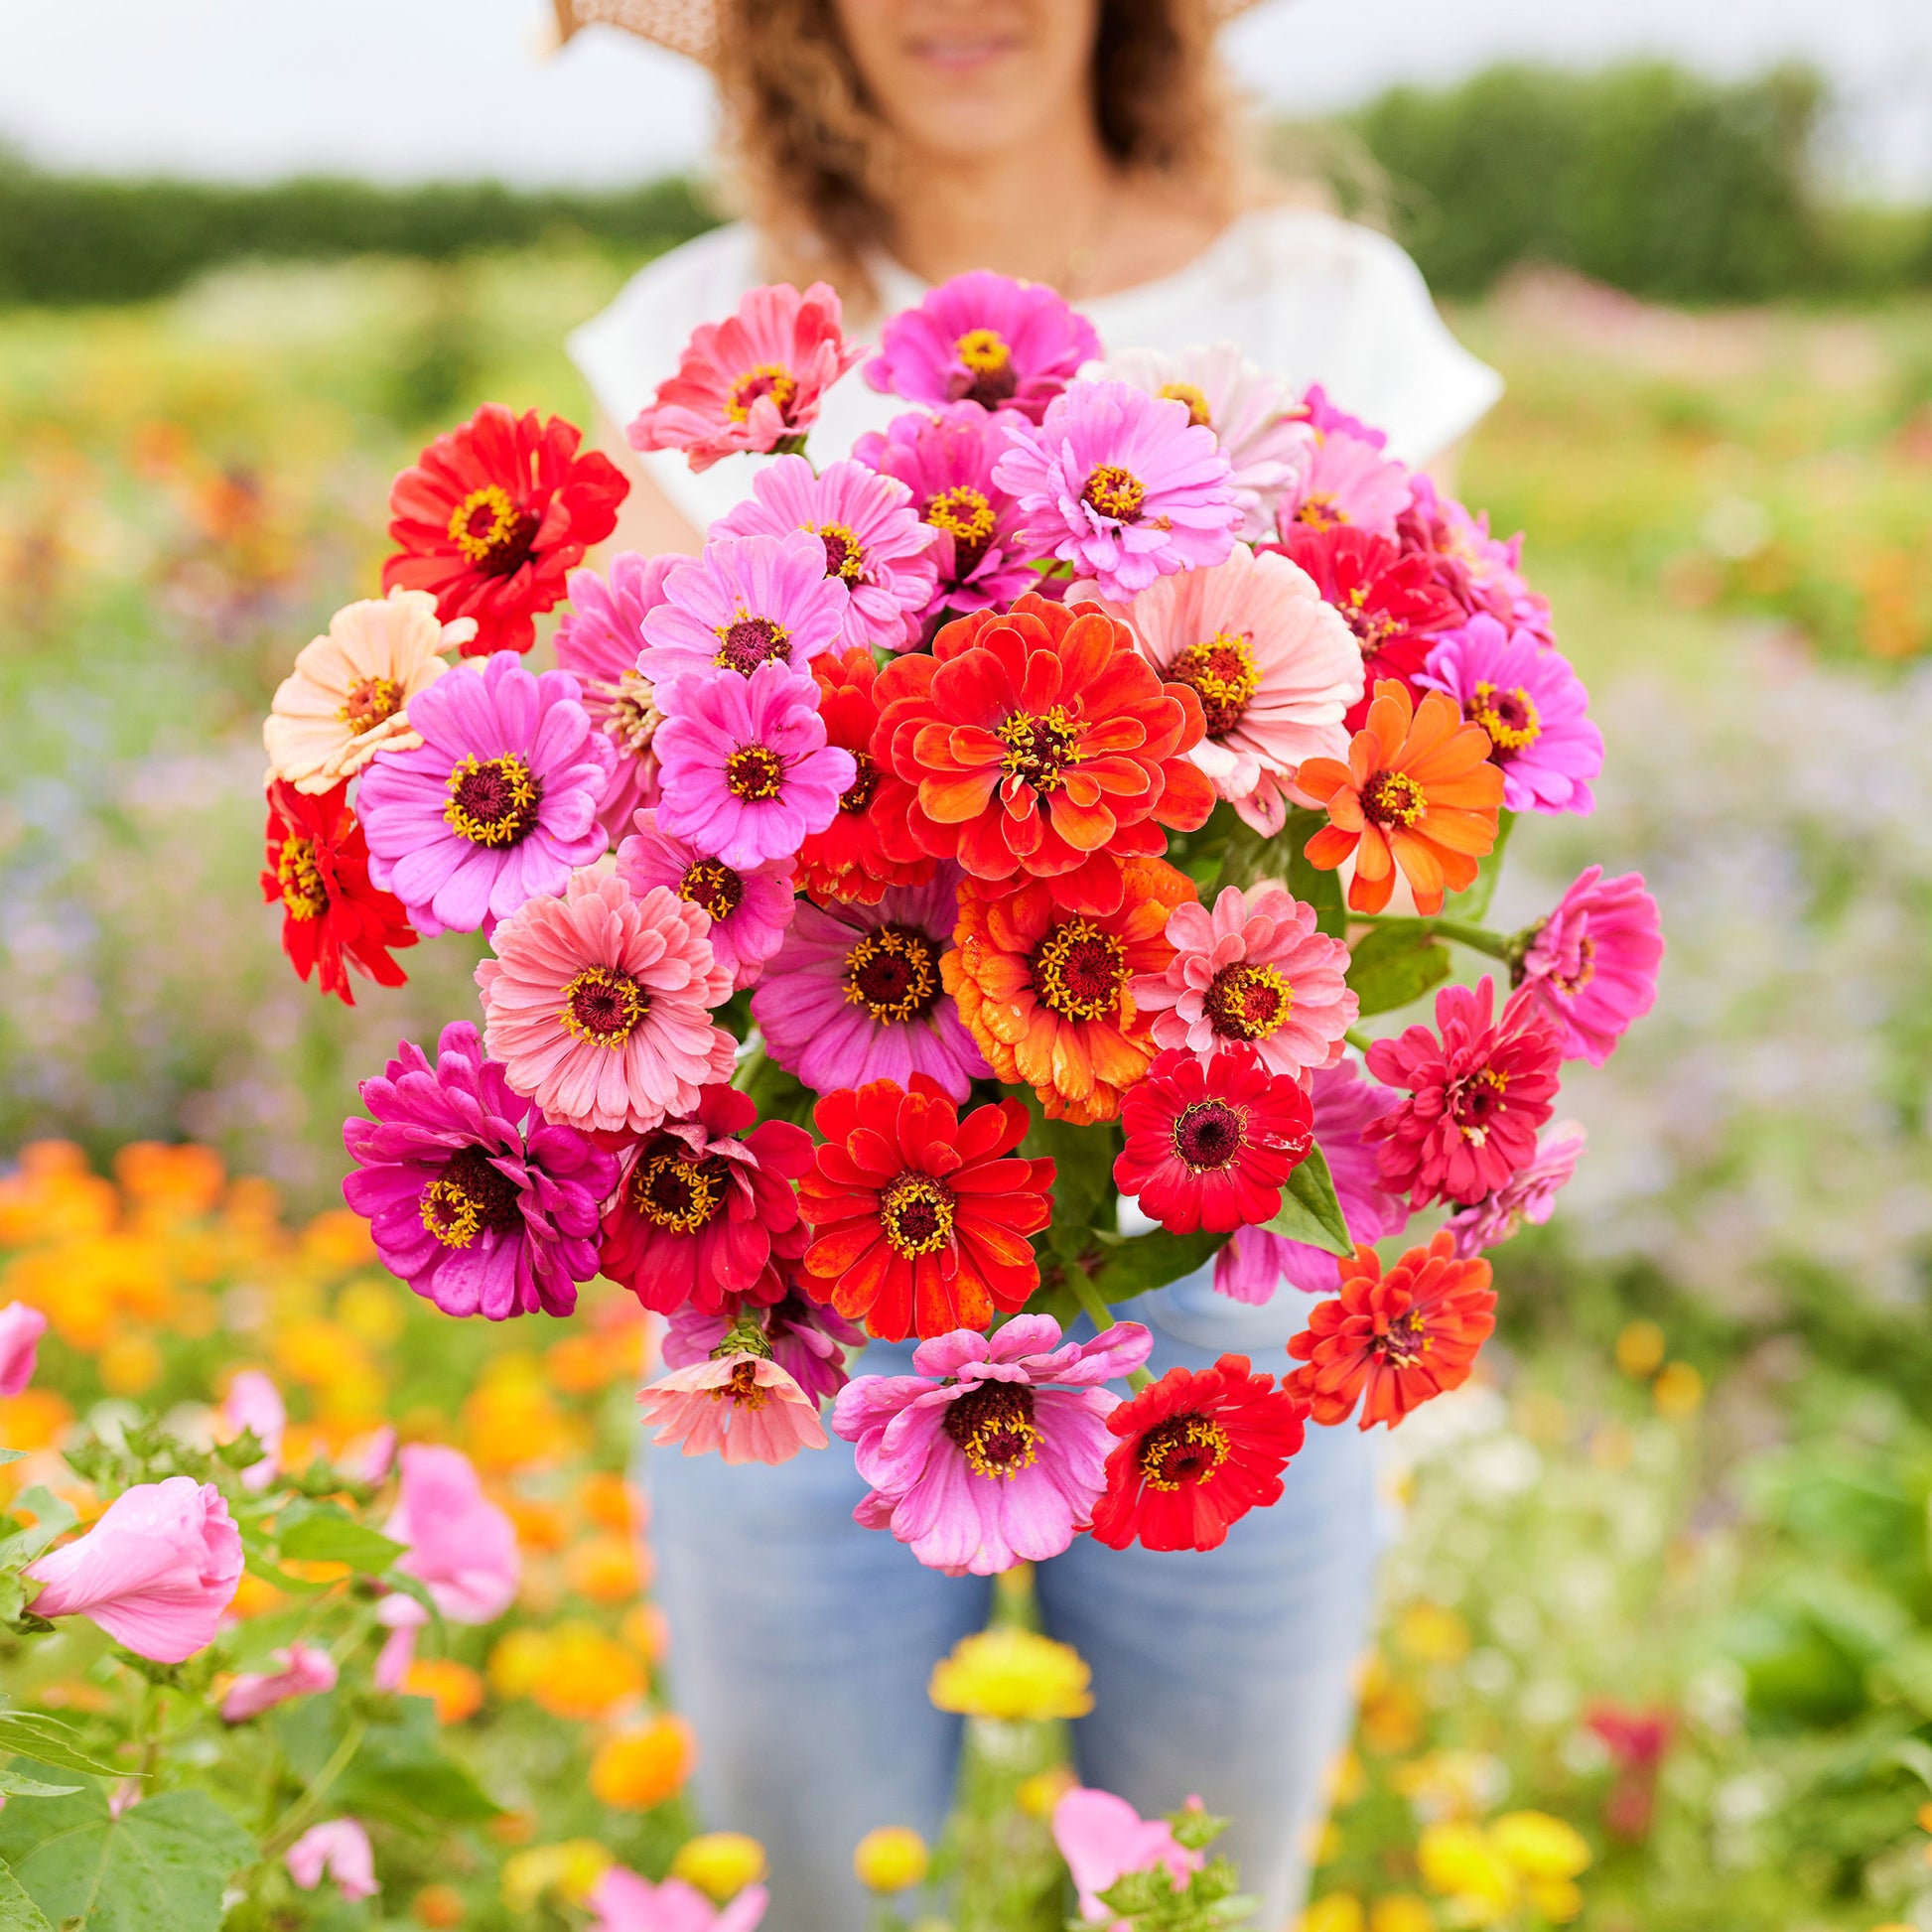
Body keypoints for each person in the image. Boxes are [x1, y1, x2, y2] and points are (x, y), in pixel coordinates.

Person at [558, 4, 1502, 1926]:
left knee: (1195, 1897)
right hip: (796, 1275)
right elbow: (624, 764)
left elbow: (1426, 723)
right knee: (820, 1893)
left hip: (1207, 1237)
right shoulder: (712, 329)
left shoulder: (1318, 301)